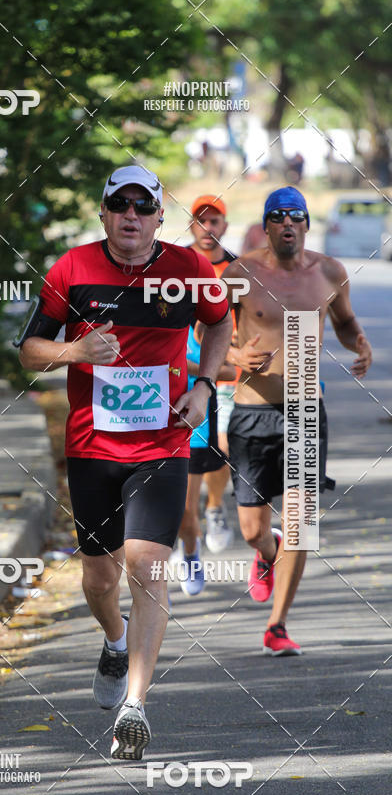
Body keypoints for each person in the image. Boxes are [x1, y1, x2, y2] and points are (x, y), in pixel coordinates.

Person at [19, 165, 232, 758]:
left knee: (147, 566)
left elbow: (220, 324)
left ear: (160, 216)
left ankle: (136, 704)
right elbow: (29, 354)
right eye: (121, 206)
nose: (131, 216)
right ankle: (114, 640)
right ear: (105, 212)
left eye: (144, 207)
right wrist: (75, 349)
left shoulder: (189, 269)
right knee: (98, 576)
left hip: (163, 443)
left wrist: (205, 385)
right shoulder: (73, 269)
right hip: (93, 447)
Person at [225, 186, 372, 655]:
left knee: (301, 521)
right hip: (251, 411)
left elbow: (344, 321)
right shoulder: (240, 273)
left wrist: (360, 343)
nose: (287, 224)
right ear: (267, 226)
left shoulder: (329, 271)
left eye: (296, 217)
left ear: (306, 224)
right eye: (278, 217)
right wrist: (234, 356)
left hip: (308, 410)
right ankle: (265, 552)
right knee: (251, 527)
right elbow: (202, 333)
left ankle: (278, 624)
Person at [188, 195, 238, 553]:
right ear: (191, 226)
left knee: (222, 448)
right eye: (200, 221)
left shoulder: (239, 269)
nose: (208, 228)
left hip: (231, 373)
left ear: (225, 226)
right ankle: (183, 529)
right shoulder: (176, 265)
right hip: (187, 372)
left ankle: (215, 507)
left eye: (215, 220)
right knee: (188, 458)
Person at [177, 319, 236, 595]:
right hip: (144, 427)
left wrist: (177, 364)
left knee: (185, 510)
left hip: (192, 427)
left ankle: (190, 552)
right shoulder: (135, 320)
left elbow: (227, 370)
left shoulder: (198, 326)